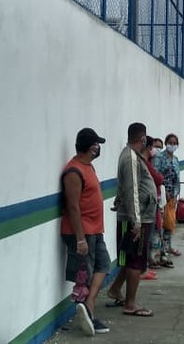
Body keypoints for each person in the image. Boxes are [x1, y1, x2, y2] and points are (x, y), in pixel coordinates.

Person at [60, 127, 112, 336]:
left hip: (95, 230)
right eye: (97, 144)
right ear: (91, 147)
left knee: (104, 265)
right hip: (81, 233)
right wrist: (80, 239)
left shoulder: (88, 167)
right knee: (85, 275)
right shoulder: (73, 171)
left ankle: (89, 303)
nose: (98, 148)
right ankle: (88, 314)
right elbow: (73, 206)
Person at [105, 123, 156, 318]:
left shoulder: (131, 156)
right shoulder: (131, 158)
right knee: (136, 261)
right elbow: (132, 189)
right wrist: (136, 221)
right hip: (138, 218)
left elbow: (126, 186)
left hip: (140, 215)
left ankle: (116, 289)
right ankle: (131, 304)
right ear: (142, 139)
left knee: (131, 258)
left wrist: (118, 200)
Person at [140, 136, 165, 279]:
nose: (155, 150)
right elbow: (158, 178)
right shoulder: (145, 163)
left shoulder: (148, 162)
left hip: (154, 201)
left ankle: (145, 266)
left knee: (154, 232)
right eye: (154, 147)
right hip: (147, 206)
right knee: (146, 237)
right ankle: (143, 267)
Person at [154, 133, 182, 261]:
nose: (172, 145)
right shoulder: (160, 157)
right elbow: (156, 174)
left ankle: (168, 246)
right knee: (160, 223)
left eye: (174, 143)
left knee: (170, 222)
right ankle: (160, 250)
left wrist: (175, 194)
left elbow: (177, 179)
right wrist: (163, 191)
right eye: (170, 143)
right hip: (162, 195)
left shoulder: (175, 160)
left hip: (172, 196)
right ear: (166, 144)